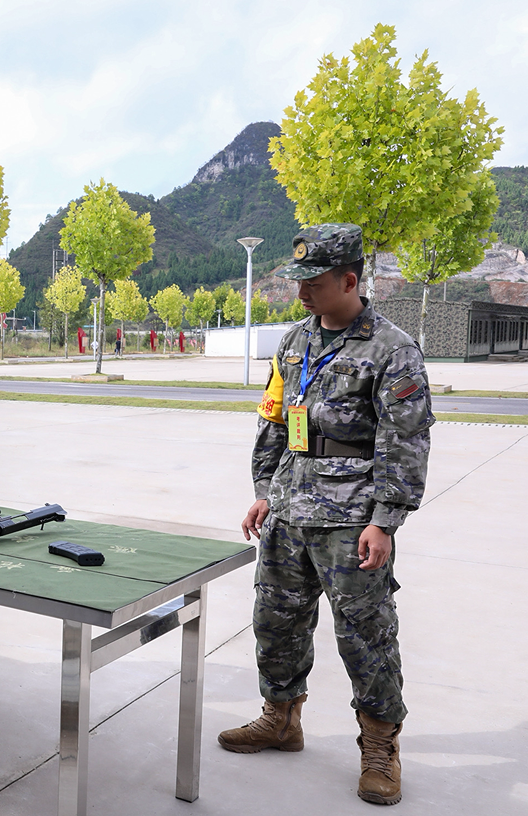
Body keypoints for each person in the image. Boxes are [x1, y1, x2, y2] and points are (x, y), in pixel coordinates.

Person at [218, 224, 434, 806]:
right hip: (289, 508)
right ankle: (281, 719)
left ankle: (381, 747)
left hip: (352, 518)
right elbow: (275, 419)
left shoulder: (392, 349)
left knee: (366, 634)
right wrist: (265, 488)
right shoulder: (295, 341)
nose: (302, 293)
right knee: (276, 622)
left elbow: (406, 440)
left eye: (313, 282)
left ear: (349, 280)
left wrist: (385, 520)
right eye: (299, 282)